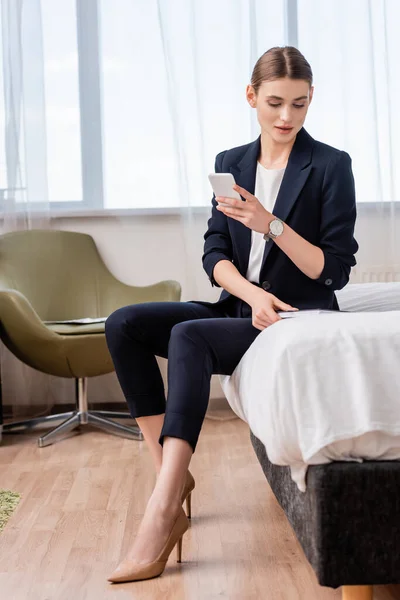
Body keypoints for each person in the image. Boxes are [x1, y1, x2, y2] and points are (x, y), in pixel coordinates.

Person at [105, 46, 358, 583]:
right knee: (124, 324)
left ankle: (163, 507)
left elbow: (333, 270)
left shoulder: (331, 165)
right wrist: (249, 294)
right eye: (274, 103)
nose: (287, 117)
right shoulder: (232, 163)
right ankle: (169, 475)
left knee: (190, 337)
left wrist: (271, 224)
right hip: (242, 304)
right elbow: (213, 252)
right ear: (251, 97)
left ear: (311, 102)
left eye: (299, 104)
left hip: (296, 313)